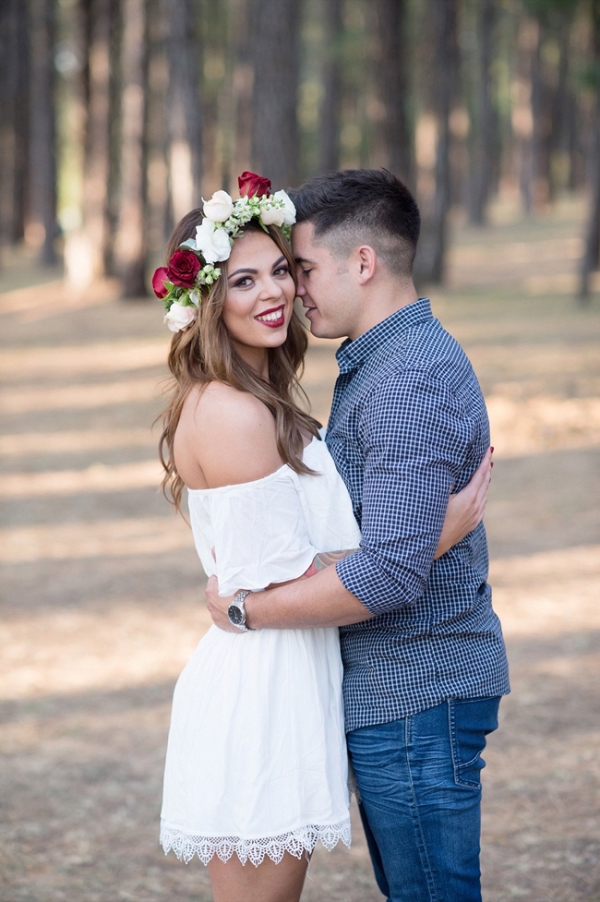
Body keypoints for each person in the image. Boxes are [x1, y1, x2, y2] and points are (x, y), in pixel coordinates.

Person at [154, 172, 493, 902]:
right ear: (209, 302)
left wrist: (406, 550)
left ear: (362, 263)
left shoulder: (321, 389)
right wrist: (427, 542)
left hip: (315, 680)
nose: (282, 291)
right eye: (246, 280)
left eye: (287, 269)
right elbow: (301, 574)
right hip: (264, 692)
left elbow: (312, 575)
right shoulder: (239, 412)